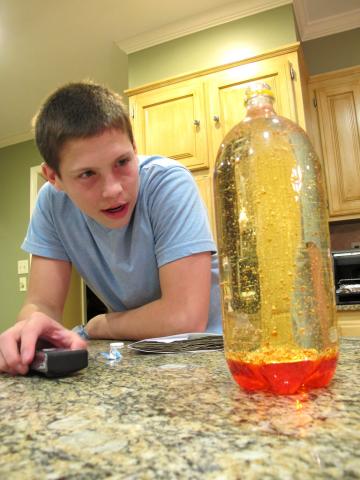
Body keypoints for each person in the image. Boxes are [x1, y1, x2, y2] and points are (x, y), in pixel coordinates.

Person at [0, 81, 221, 375]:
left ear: (134, 148)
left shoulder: (168, 183)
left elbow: (185, 315)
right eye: (87, 174)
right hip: (137, 353)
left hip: (208, 350)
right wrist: (31, 328)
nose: (114, 190)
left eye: (122, 162)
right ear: (53, 177)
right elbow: (41, 302)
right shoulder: (51, 205)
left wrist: (98, 324)